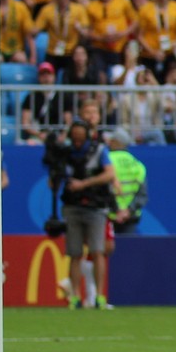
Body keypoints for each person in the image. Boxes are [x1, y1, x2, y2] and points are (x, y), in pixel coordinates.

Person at [56, 119, 116, 311]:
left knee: (97, 251)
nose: (77, 140)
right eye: (74, 136)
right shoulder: (65, 153)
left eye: (81, 136)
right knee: (74, 253)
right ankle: (75, 296)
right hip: (72, 206)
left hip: (95, 206)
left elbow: (110, 174)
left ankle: (99, 296)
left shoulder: (99, 150)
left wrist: (84, 184)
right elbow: (54, 181)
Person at [102, 127, 148, 309]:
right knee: (126, 257)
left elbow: (104, 188)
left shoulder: (107, 161)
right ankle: (127, 294)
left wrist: (116, 210)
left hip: (108, 216)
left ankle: (103, 293)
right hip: (130, 218)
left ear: (115, 142)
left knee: (103, 256)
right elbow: (142, 195)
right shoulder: (138, 165)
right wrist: (128, 210)